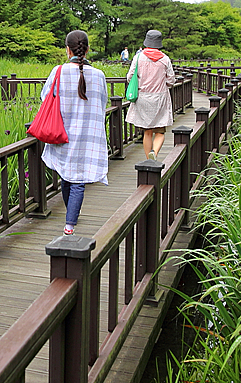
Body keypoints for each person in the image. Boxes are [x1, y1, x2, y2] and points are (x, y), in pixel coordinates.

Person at [40, 30, 109, 235]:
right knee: (75, 177)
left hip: (62, 131)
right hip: (88, 133)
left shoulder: (59, 71)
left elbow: (46, 97)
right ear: (87, 50)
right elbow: (102, 102)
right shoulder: (98, 75)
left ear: (67, 49)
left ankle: (69, 224)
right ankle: (71, 219)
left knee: (70, 176)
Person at [126, 29, 176, 161]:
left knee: (147, 132)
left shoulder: (138, 57)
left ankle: (149, 159)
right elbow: (171, 80)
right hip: (160, 97)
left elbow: (130, 76)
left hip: (142, 97)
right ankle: (155, 151)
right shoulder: (165, 59)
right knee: (160, 131)